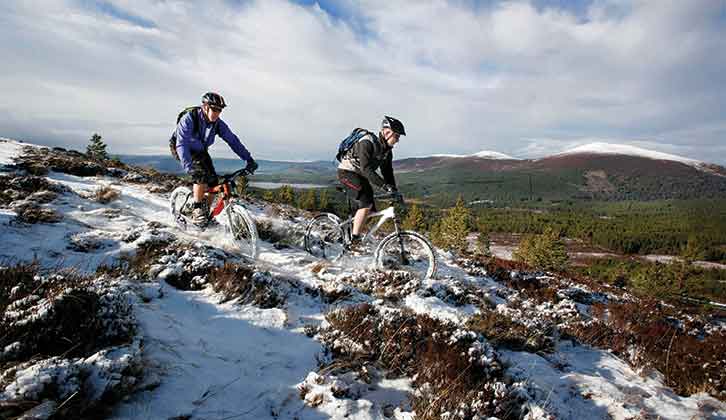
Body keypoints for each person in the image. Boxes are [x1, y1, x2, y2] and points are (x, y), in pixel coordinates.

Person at [175, 92, 258, 226]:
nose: (217, 113)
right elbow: (181, 144)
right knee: (200, 176)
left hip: (200, 151)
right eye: (214, 109)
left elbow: (233, 141)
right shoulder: (190, 118)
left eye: (219, 110)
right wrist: (189, 167)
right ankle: (197, 210)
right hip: (182, 148)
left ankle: (205, 213)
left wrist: (248, 159)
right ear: (205, 107)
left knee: (214, 183)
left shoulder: (218, 124)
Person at [337, 115, 405, 247]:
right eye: (396, 136)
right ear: (386, 132)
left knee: (371, 211)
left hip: (360, 175)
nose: (397, 140)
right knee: (366, 203)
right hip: (347, 172)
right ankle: (354, 240)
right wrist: (385, 187)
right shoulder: (367, 142)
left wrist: (394, 190)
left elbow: (387, 173)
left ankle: (349, 231)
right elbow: (366, 169)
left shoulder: (387, 152)